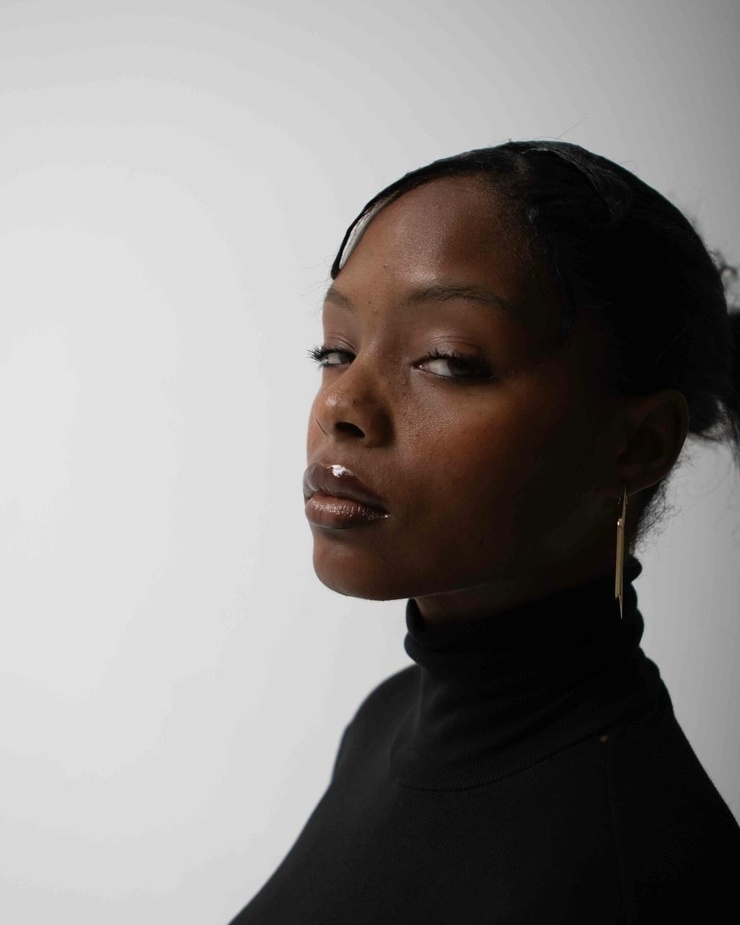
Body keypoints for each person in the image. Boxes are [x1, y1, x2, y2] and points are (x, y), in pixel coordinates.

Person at [229, 141, 740, 923]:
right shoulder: (384, 721)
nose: (340, 404)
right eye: (336, 350)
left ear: (636, 444)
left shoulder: (641, 867)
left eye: (446, 360)